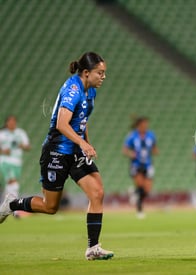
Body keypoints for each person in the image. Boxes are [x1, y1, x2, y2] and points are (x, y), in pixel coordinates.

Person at [0, 52, 114, 260]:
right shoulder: (73, 89)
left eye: (104, 73)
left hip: (75, 151)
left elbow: (81, 120)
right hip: (57, 151)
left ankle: (93, 248)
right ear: (86, 73)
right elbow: (62, 124)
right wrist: (81, 143)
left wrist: (85, 143)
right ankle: (11, 204)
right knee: (50, 206)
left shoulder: (91, 92)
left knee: (97, 192)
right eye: (100, 72)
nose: (103, 76)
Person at [122, 116, 158, 219]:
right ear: (138, 125)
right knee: (141, 186)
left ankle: (133, 192)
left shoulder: (151, 135)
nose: (145, 126)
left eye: (146, 124)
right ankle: (139, 209)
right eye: (143, 124)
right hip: (136, 164)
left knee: (147, 189)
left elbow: (154, 147)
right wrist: (131, 153)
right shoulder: (132, 136)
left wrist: (155, 151)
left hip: (148, 164)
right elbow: (125, 150)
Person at [0, 115, 31, 216]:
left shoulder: (20, 133)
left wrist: (23, 146)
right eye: (10, 121)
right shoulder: (2, 134)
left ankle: (4, 208)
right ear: (7, 123)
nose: (12, 123)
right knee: (13, 183)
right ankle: (15, 210)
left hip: (17, 162)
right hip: (6, 161)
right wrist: (3, 151)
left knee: (10, 185)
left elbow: (28, 147)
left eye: (14, 121)